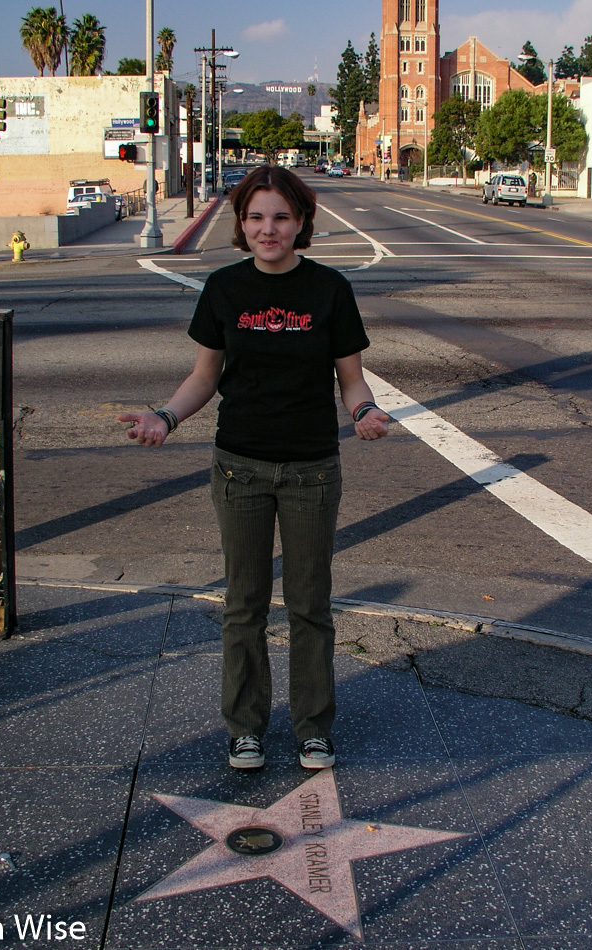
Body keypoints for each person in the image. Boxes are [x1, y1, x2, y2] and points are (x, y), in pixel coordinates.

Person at [118, 165, 389, 773]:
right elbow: (204, 377)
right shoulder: (224, 289)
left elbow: (352, 379)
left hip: (312, 469)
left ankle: (313, 730)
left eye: (282, 217)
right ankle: (246, 728)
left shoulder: (329, 290)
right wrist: (166, 416)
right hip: (239, 466)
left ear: (301, 223)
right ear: (241, 224)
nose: (269, 229)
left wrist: (365, 411)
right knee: (243, 603)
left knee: (310, 605)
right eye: (256, 217)